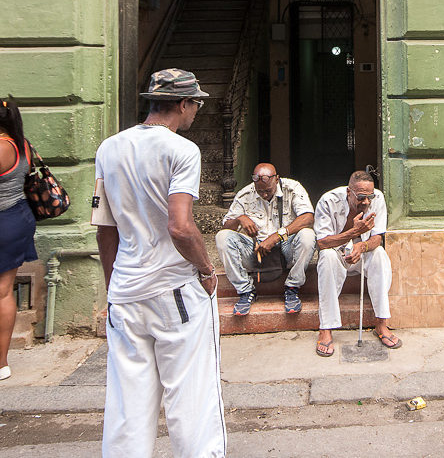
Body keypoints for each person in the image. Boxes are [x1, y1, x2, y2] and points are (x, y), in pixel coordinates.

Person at [93, 69, 226, 458]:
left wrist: (112, 288)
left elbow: (105, 230)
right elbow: (181, 227)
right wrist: (206, 270)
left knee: (127, 403)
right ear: (184, 105)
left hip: (126, 290)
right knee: (192, 397)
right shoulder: (182, 151)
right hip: (174, 291)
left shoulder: (109, 148)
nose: (197, 112)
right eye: (196, 104)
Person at [314, 170, 402, 357]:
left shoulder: (377, 198)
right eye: (361, 197)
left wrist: (361, 246)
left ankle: (381, 323)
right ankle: (326, 328)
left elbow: (377, 238)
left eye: (369, 197)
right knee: (326, 258)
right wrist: (353, 232)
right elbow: (322, 243)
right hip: (337, 255)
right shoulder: (328, 201)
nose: (367, 202)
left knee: (379, 255)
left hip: (362, 254)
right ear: (349, 192)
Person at [216, 163, 315, 315]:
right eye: (259, 191)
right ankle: (245, 291)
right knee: (222, 237)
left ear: (277, 179)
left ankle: (292, 288)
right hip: (256, 252)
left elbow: (308, 218)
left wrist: (277, 237)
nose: (264, 194)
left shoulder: (292, 188)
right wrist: (240, 218)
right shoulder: (245, 194)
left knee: (308, 235)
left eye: (268, 190)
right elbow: (227, 227)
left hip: (286, 247)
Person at [0, 100, 37, 381]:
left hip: (4, 220)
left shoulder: (2, 147)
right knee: (4, 290)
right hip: (17, 217)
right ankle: (1, 363)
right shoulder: (21, 143)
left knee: (2, 292)